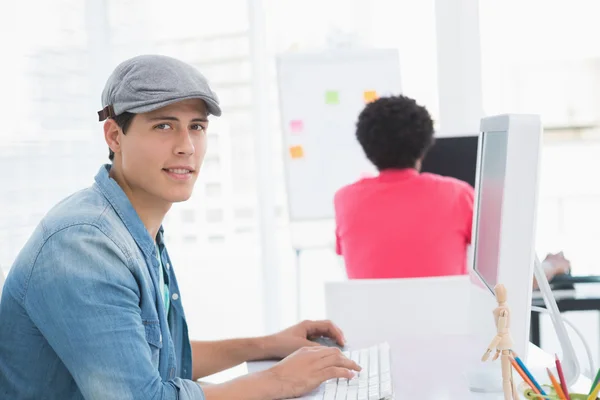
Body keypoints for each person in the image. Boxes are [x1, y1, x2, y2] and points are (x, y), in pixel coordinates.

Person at [0, 55, 360, 400]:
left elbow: (162, 363)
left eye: (197, 127)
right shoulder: (83, 244)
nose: (186, 147)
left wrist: (269, 345)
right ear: (114, 136)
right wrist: (279, 380)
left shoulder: (134, 227)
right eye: (163, 126)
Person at [334, 95, 474, 279]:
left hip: (372, 308)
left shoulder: (345, 199)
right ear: (425, 143)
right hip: (444, 307)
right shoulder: (459, 194)